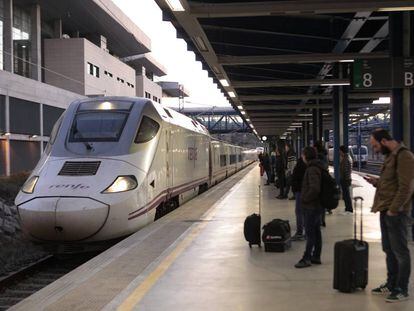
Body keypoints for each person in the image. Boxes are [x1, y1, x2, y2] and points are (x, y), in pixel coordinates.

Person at [365, 129, 414, 302]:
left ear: (384, 141)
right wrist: (377, 182)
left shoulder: (404, 156)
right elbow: (392, 183)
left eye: (376, 146)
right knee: (388, 249)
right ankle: (391, 283)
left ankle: (402, 288)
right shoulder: (390, 156)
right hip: (385, 209)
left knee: (400, 251)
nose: (375, 149)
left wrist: (394, 209)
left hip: (397, 213)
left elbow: (406, 187)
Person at [294, 147, 325, 268]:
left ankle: (307, 258)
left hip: (311, 206)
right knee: (316, 232)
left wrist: (304, 198)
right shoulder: (317, 167)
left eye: (303, 155)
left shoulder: (312, 169)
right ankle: (316, 256)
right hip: (316, 205)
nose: (302, 157)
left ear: (306, 156)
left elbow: (314, 188)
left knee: (310, 233)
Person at [291, 156, 307, 241]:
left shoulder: (300, 165)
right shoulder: (312, 165)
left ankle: (300, 232)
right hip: (306, 192)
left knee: (299, 212)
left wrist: (294, 189)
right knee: (306, 212)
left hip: (300, 191)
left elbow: (295, 177)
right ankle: (307, 232)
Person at [314, 141, 329, 225]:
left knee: (318, 202)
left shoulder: (319, 156)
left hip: (319, 179)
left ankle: (319, 220)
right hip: (324, 180)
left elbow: (320, 167)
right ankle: (322, 220)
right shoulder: (324, 155)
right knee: (322, 202)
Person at [339, 145, 353, 214]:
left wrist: (345, 179)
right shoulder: (347, 157)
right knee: (346, 195)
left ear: (342, 151)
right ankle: (347, 208)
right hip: (346, 179)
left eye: (340, 151)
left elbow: (346, 171)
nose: (339, 153)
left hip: (345, 179)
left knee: (346, 195)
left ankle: (349, 209)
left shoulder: (346, 158)